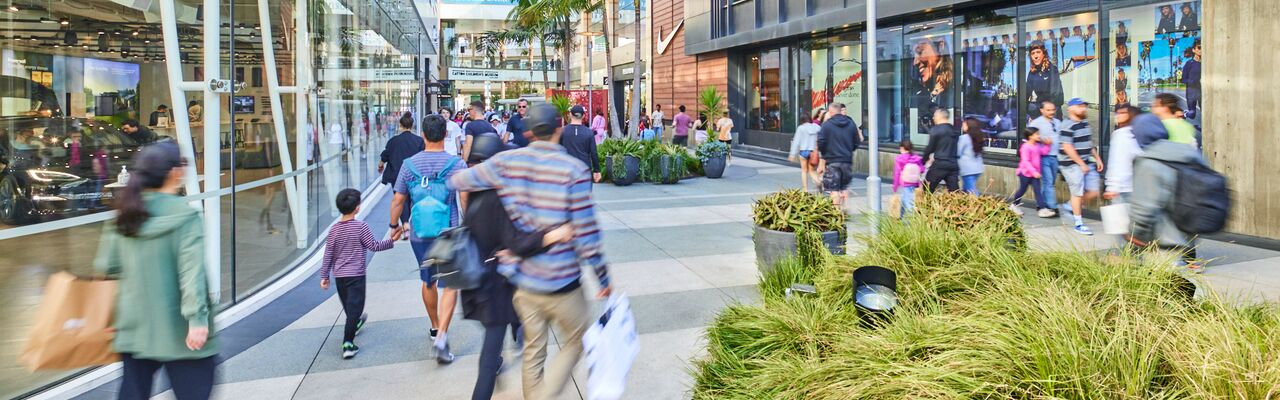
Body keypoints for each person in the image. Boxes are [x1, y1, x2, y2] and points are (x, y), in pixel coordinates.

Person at [448, 103, 612, 400]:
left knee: (534, 350)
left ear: (527, 132)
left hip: (523, 284)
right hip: (563, 283)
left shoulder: (508, 163)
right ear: (559, 129)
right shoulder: (574, 170)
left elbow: (459, 179)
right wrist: (602, 278)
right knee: (576, 340)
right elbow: (587, 235)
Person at [94, 142, 216, 400]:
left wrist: (111, 317)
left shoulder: (123, 215)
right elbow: (191, 272)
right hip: (180, 332)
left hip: (134, 327)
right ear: (174, 173)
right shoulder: (185, 215)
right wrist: (197, 320)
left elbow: (107, 270)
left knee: (132, 392)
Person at [459, 134, 571, 400]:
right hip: (496, 286)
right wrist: (554, 235)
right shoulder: (497, 199)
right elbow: (518, 241)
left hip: (482, 282)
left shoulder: (475, 193)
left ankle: (515, 334)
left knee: (501, 339)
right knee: (490, 356)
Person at [389, 114, 468, 365]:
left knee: (428, 281)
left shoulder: (409, 164)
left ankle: (434, 326)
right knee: (451, 283)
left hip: (419, 232)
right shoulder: (456, 164)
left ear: (423, 135)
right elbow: (465, 198)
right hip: (448, 230)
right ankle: (442, 336)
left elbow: (398, 199)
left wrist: (394, 226)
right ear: (446, 135)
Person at [319, 188, 402, 359]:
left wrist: (324, 276)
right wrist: (392, 240)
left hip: (340, 276)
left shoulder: (333, 230)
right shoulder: (361, 226)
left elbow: (328, 254)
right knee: (355, 307)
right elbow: (374, 246)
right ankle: (348, 344)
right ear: (357, 207)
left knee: (350, 307)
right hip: (356, 275)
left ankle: (355, 322)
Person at [1128, 117, 1202, 270]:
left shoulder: (1148, 160)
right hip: (1187, 228)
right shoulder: (1187, 152)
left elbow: (1144, 207)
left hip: (1164, 235)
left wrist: (1136, 234)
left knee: (1164, 280)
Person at [1058, 98, 1104, 235]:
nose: (1083, 108)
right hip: (1070, 164)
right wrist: (1081, 164)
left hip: (1085, 162)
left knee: (1094, 191)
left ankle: (1068, 206)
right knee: (1077, 192)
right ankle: (1078, 224)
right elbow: (1067, 147)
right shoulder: (1067, 125)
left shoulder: (1084, 124)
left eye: (1084, 106)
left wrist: (1097, 158)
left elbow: (1088, 143)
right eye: (1079, 106)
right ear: (1070, 109)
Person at [817, 103, 860, 208]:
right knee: (844, 187)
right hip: (847, 160)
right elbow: (856, 141)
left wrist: (824, 154)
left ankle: (836, 213)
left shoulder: (827, 125)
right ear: (840, 110)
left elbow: (821, 142)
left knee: (834, 188)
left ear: (831, 112)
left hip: (832, 160)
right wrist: (849, 150)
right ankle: (845, 208)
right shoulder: (851, 123)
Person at [1028, 100, 1062, 217]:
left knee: (1050, 181)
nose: (1051, 112)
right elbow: (1029, 138)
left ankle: (1041, 203)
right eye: (1048, 110)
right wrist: (1042, 140)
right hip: (1042, 157)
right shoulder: (1036, 123)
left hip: (1055, 156)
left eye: (1053, 110)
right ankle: (1052, 206)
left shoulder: (1058, 122)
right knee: (1048, 182)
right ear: (1041, 110)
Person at [379, 112, 426, 197]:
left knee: (399, 199)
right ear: (412, 125)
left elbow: (385, 155)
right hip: (414, 175)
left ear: (400, 125)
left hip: (397, 175)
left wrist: (380, 165)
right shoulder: (419, 140)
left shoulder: (393, 141)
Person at [1103, 105, 1143, 204]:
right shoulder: (1139, 133)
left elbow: (1117, 162)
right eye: (1118, 113)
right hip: (1138, 187)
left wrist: (1112, 186)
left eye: (1122, 113)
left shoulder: (1120, 134)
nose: (1117, 115)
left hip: (1122, 188)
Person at [1009, 127, 1050, 217]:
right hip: (1025, 173)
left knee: (1037, 191)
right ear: (1030, 136)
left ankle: (1042, 209)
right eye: (1037, 134)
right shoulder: (1025, 147)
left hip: (1034, 174)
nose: (1039, 136)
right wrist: (1034, 172)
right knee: (1022, 190)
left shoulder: (1037, 146)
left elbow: (1044, 152)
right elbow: (1025, 161)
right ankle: (1014, 205)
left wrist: (1048, 145)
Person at [921, 108, 961, 192]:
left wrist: (923, 161)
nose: (933, 118)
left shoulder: (936, 130)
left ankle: (928, 205)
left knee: (927, 189)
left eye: (934, 116)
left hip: (940, 163)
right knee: (954, 192)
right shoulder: (955, 130)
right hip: (953, 164)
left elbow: (930, 148)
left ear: (940, 116)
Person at [560, 105, 602, 184]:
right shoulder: (589, 132)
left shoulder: (562, 131)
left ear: (570, 114)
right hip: (584, 170)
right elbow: (594, 153)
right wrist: (597, 170)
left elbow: (557, 150)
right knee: (583, 194)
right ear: (583, 116)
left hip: (566, 170)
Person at [1025, 41, 1063, 121]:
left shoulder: (1052, 69)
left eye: (1038, 52)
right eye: (1033, 53)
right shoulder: (1032, 72)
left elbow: (1057, 94)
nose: (1035, 56)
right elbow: (1026, 92)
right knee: (1026, 106)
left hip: (1052, 107)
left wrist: (1047, 108)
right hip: (1040, 107)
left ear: (1044, 53)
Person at [788, 114, 822, 192]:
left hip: (803, 152)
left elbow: (796, 141)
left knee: (804, 171)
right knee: (811, 171)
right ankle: (818, 182)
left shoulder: (801, 128)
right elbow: (821, 139)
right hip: (813, 152)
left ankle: (805, 190)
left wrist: (792, 154)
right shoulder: (817, 127)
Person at [892, 140, 925, 219]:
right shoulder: (916, 158)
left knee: (908, 200)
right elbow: (922, 169)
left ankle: (915, 217)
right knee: (904, 198)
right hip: (915, 182)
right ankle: (900, 216)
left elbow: (897, 173)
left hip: (906, 183)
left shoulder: (900, 158)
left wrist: (895, 187)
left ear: (902, 148)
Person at [957, 117, 985, 194]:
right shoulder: (979, 137)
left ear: (969, 126)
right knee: (966, 189)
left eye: (964, 125)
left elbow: (958, 152)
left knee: (972, 191)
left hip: (967, 169)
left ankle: (978, 204)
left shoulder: (964, 138)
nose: (962, 127)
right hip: (978, 168)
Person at [1179, 41, 1202, 120]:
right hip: (1191, 91)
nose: (1201, 50)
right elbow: (1183, 79)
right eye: (1199, 47)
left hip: (1203, 91)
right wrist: (1194, 81)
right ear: (1194, 50)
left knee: (1206, 112)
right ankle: (1185, 114)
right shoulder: (1189, 63)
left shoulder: (1206, 63)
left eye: (1203, 48)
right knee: (1192, 114)